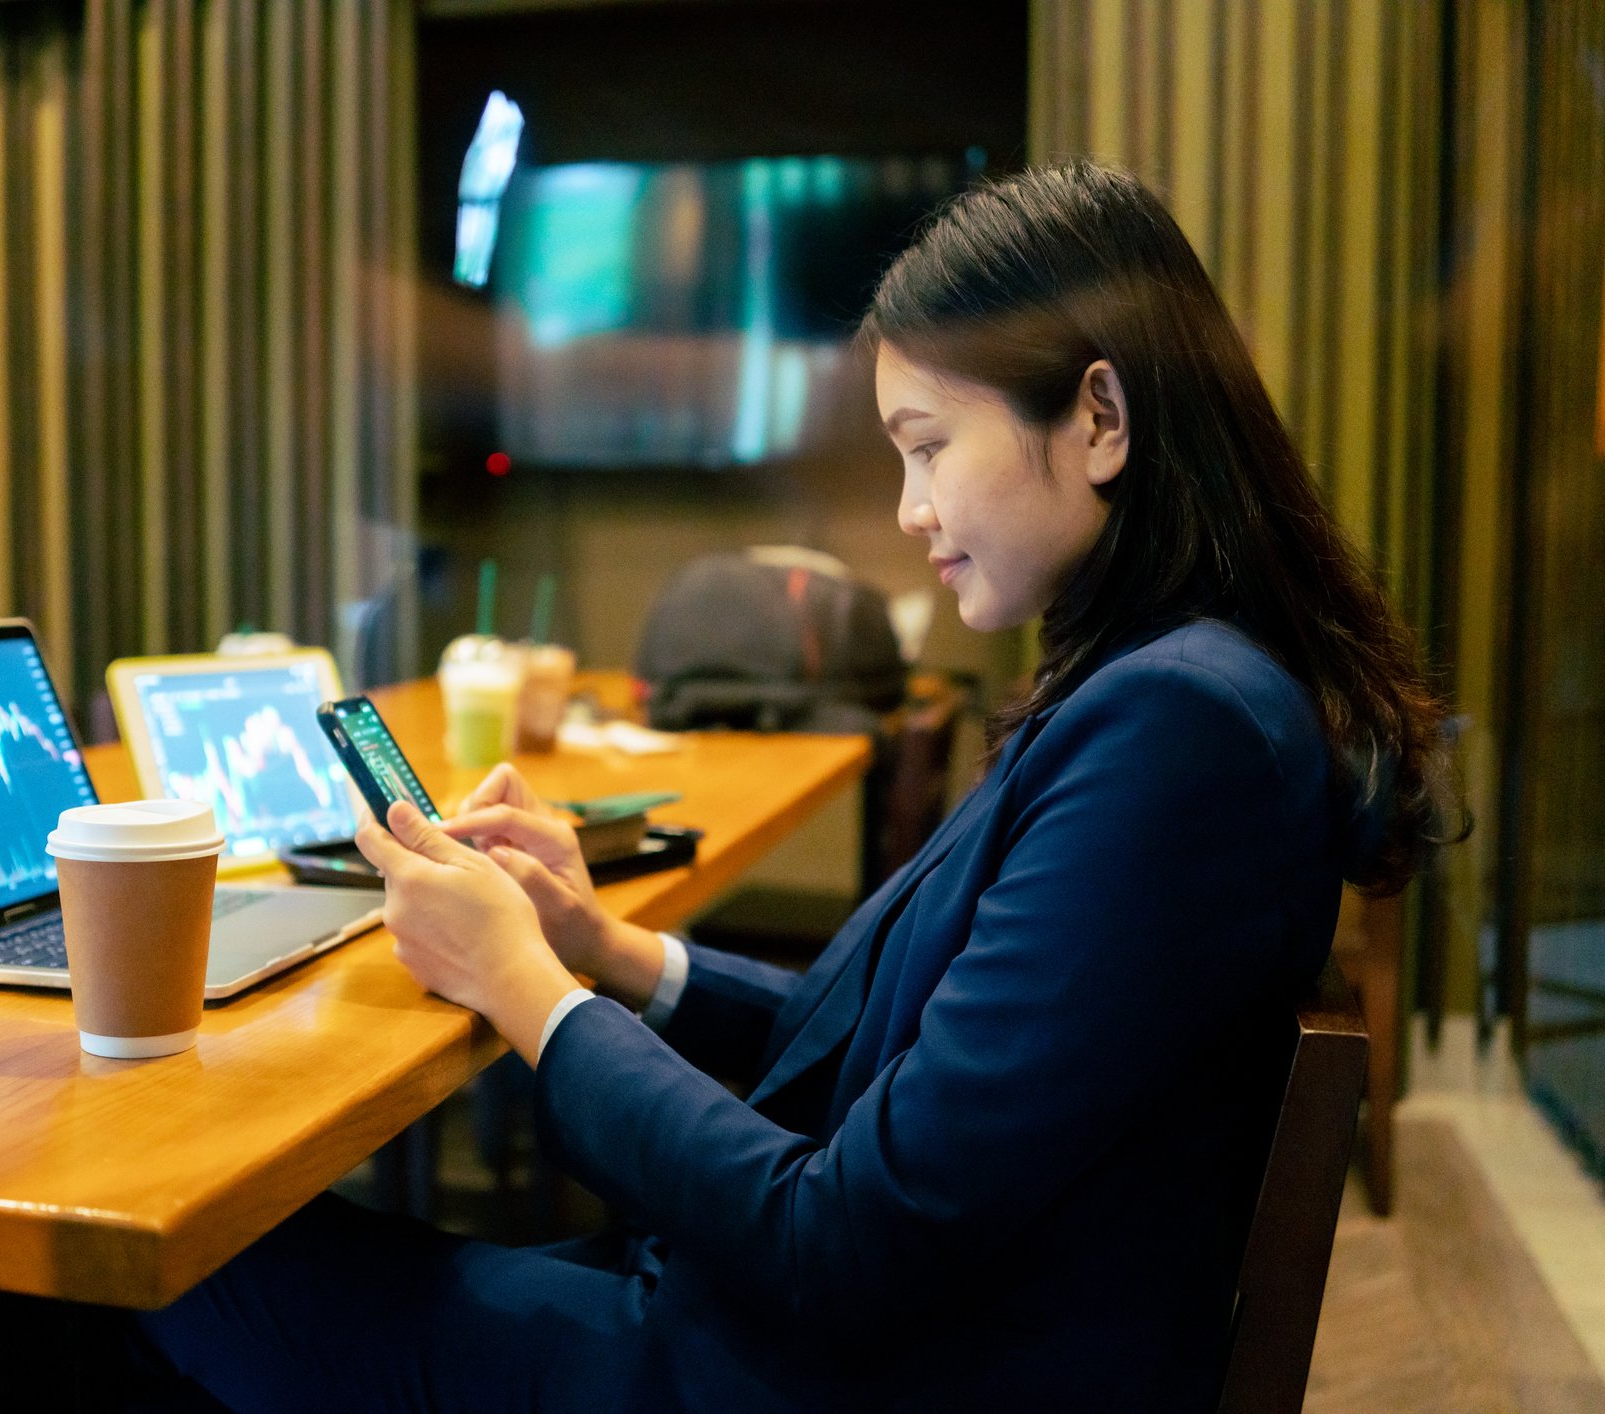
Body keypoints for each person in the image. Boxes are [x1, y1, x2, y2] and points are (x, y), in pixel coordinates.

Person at [122, 161, 1457, 1412]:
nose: (909, 511)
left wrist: (525, 992)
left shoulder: (1177, 730)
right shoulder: (1185, 688)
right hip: (876, 1337)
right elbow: (897, 1048)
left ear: (1100, 419)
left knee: (179, 1253)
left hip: (835, 1369)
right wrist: (607, 952)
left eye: (929, 446)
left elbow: (838, 1236)